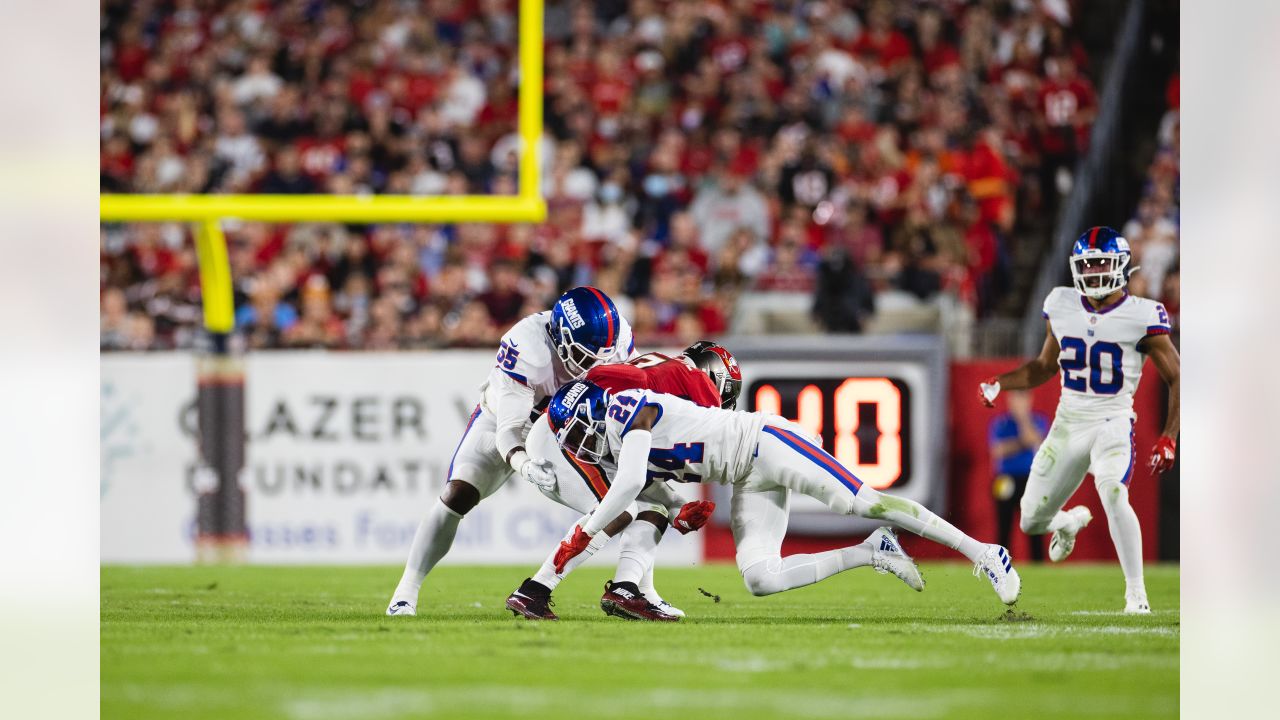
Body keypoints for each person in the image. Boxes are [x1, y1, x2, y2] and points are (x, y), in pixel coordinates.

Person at [547, 381, 1020, 609]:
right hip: (744, 476)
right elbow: (649, 493)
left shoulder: (628, 406)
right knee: (760, 578)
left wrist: (582, 536)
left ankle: (985, 552)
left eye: (578, 432)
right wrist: (677, 509)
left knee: (862, 501)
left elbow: (629, 484)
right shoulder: (612, 445)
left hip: (766, 442)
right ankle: (871, 551)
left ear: (593, 411)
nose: (581, 446)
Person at [385, 287, 636, 616]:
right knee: (458, 494)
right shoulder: (528, 345)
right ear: (561, 338)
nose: (598, 364)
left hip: (568, 430)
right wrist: (525, 465)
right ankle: (406, 591)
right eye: (587, 355)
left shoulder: (618, 340)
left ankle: (634, 590)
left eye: (604, 353)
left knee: (625, 506)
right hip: (508, 422)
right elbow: (508, 431)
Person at [979, 226, 1179, 614]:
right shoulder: (1062, 304)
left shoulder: (1143, 314)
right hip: (1067, 422)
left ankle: (1136, 595)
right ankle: (1067, 523)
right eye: (1086, 266)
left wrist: (1170, 434)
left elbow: (1177, 376)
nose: (1093, 273)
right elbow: (1042, 367)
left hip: (1113, 421)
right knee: (1031, 522)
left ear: (1121, 266)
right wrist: (999, 383)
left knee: (1113, 492)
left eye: (1101, 263)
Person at [504, 342, 739, 622]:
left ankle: (629, 590)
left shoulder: (666, 371)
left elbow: (634, 469)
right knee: (622, 507)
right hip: (570, 434)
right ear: (715, 378)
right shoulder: (696, 384)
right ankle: (535, 589)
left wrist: (675, 503)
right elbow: (633, 477)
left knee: (653, 510)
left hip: (579, 434)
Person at [988, 390, 1050, 561]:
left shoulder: (1038, 420)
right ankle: (1001, 564)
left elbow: (1035, 439)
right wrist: (1023, 443)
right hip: (1005, 479)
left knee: (1034, 526)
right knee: (1004, 526)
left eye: (1022, 398)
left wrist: (1023, 420)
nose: (1019, 403)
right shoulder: (1001, 422)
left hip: (1031, 479)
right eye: (1016, 398)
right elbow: (998, 450)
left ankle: (1038, 566)